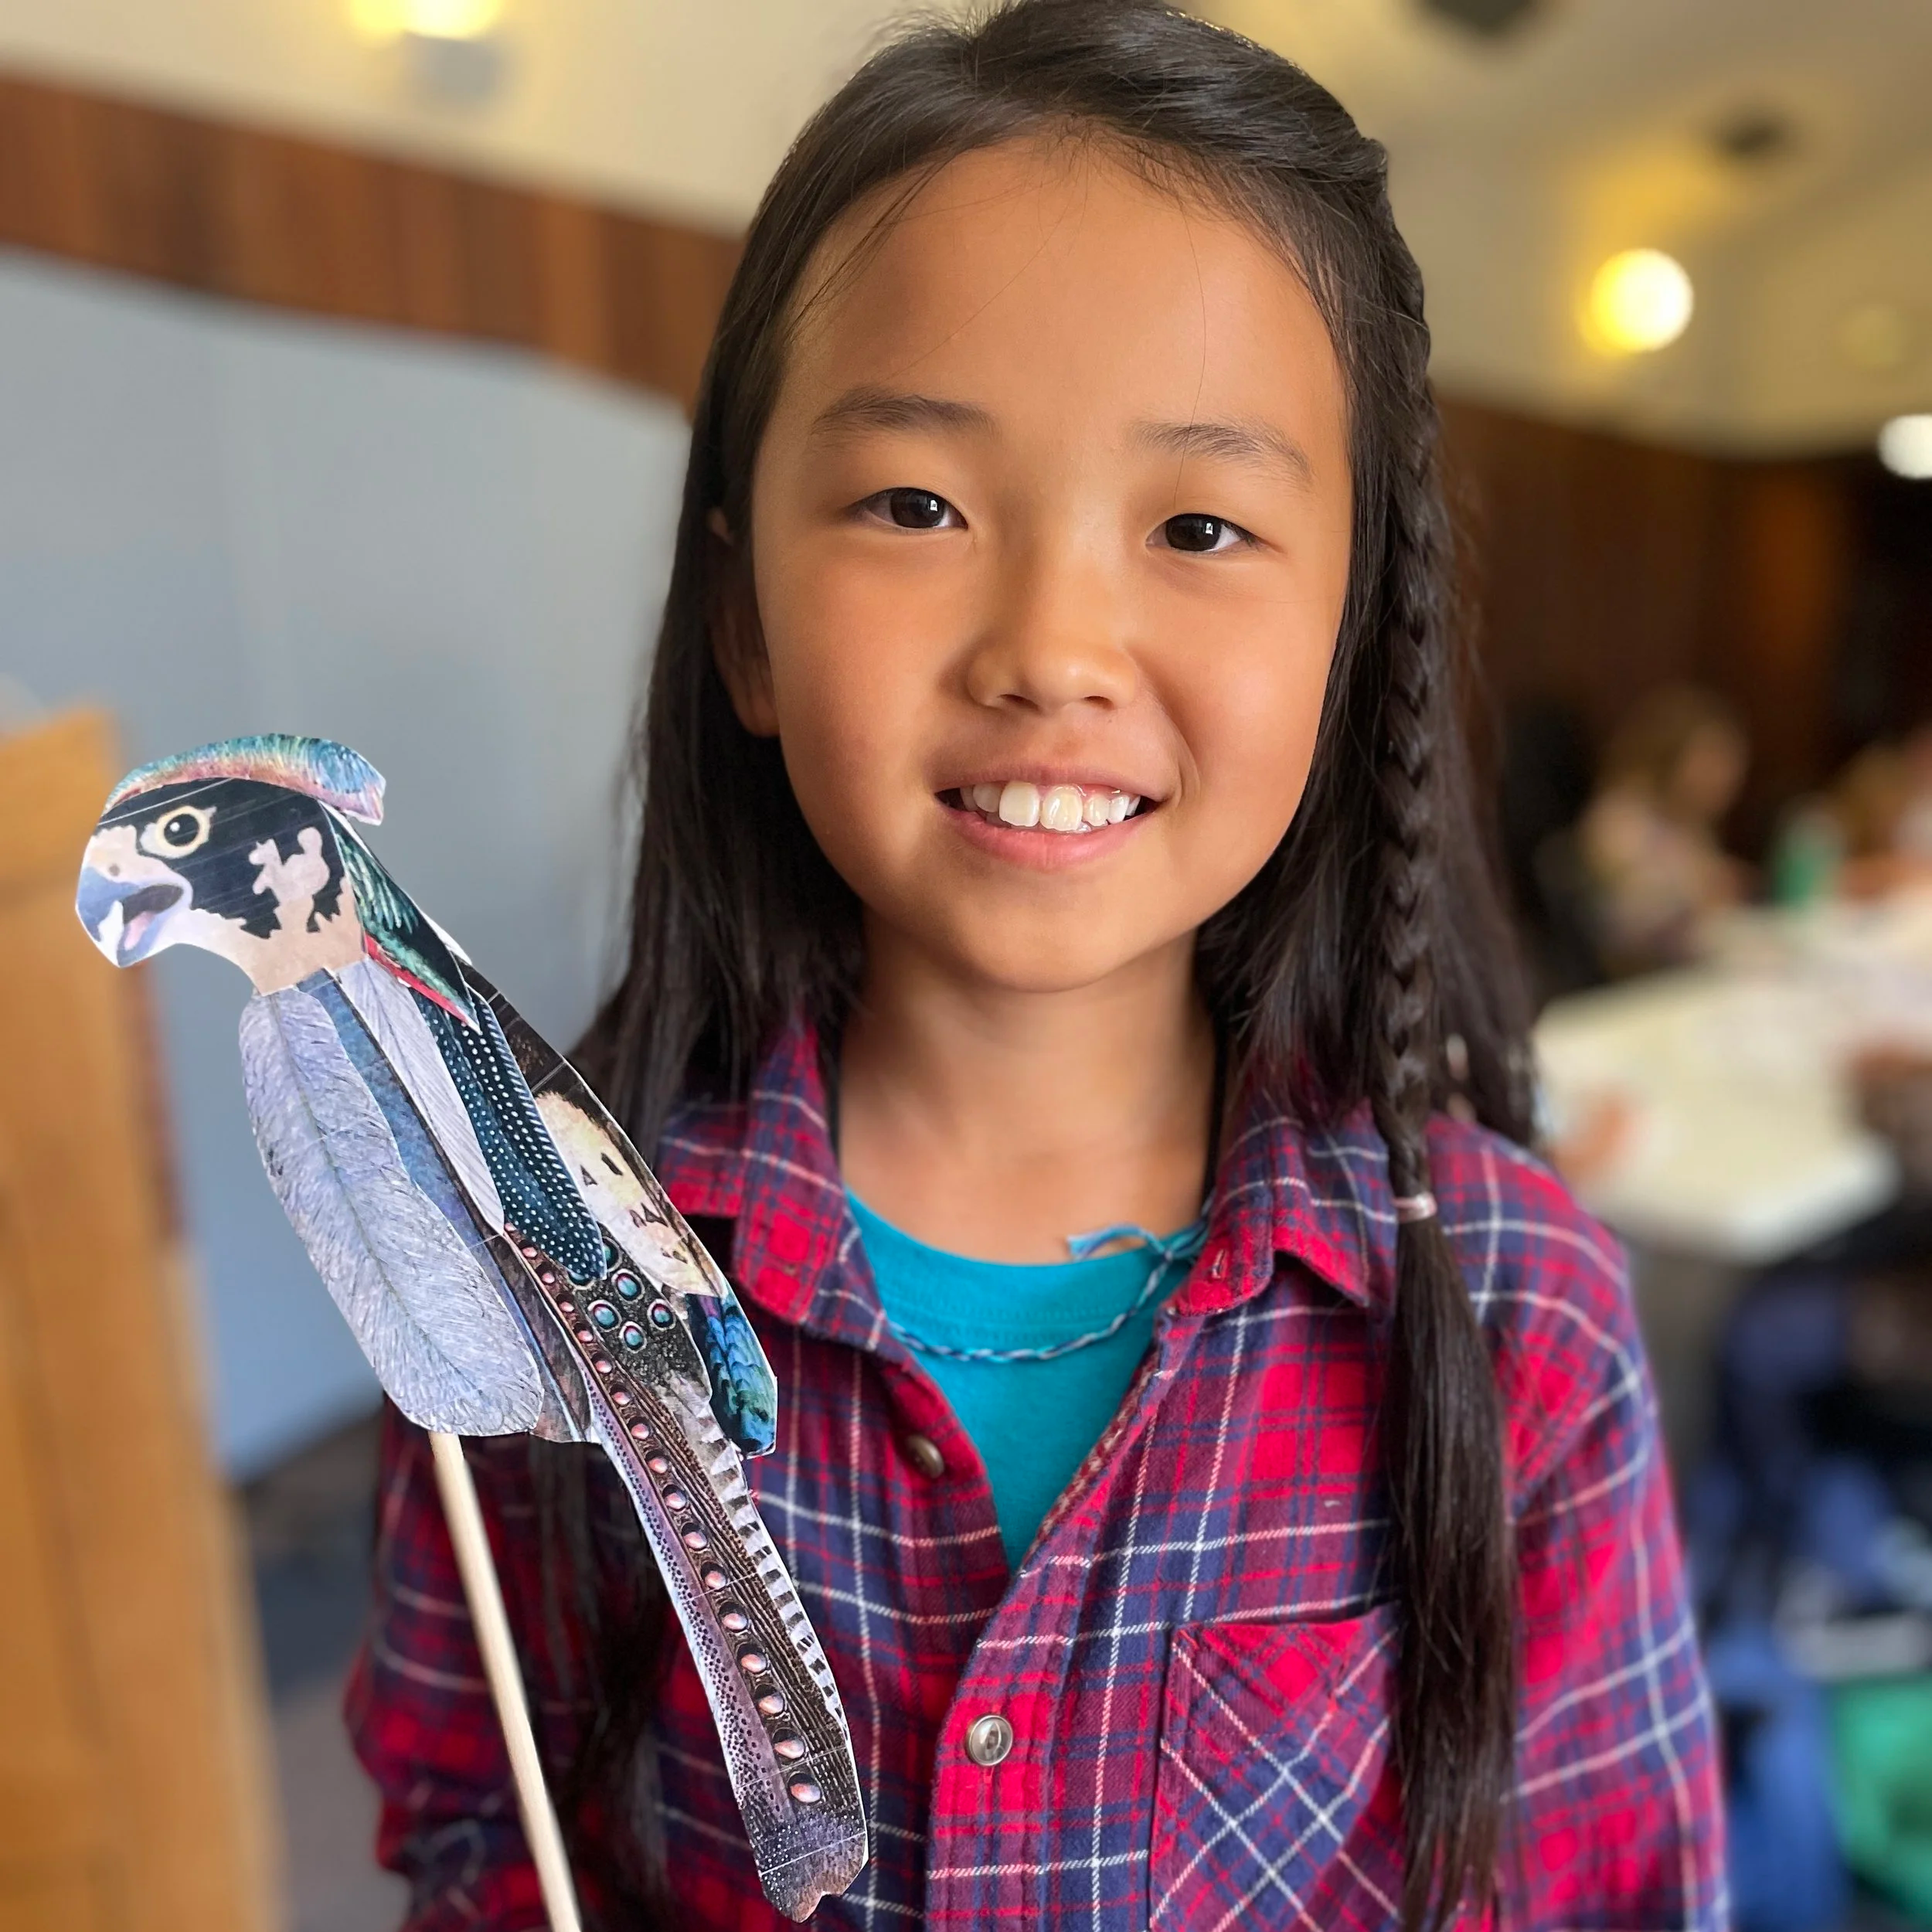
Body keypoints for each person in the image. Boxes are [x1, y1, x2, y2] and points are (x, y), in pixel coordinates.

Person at [346, 5, 1723, 1927]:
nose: (1053, 648)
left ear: (1348, 647)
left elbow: (1613, 1891)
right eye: (916, 504)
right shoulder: (543, 1283)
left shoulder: (1512, 1317)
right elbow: (477, 1832)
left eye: (1200, 525)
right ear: (742, 621)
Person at [1573, 685, 1750, 974]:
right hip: (1632, 979)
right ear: (1671, 755)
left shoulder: (1690, 822)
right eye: (1710, 762)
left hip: (1683, 973)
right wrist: (1698, 889)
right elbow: (1621, 922)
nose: (1724, 779)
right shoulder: (1621, 819)